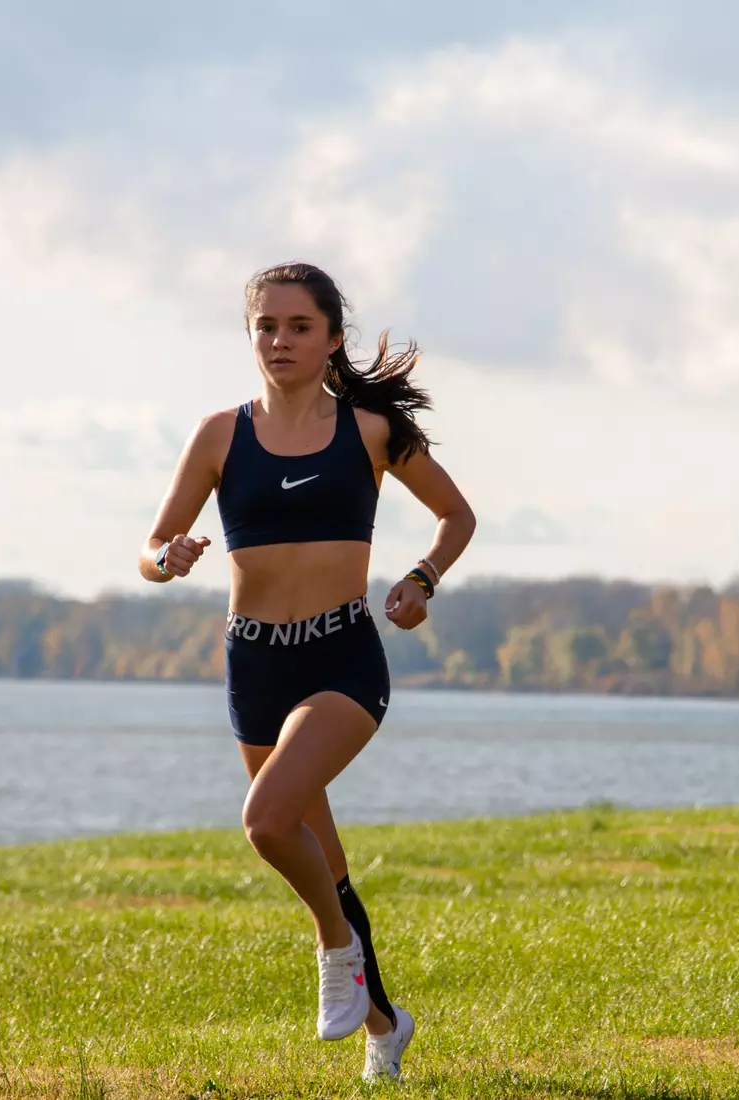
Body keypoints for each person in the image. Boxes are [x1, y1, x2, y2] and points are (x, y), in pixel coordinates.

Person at [139, 262, 475, 1082]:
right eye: (266, 326)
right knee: (320, 855)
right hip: (253, 662)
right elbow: (150, 549)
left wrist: (422, 581)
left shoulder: (369, 429)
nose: (279, 340)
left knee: (265, 820)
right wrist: (168, 556)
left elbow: (456, 515)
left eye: (297, 326)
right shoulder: (220, 435)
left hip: (341, 658)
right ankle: (385, 1026)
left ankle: (335, 949)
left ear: (331, 337)